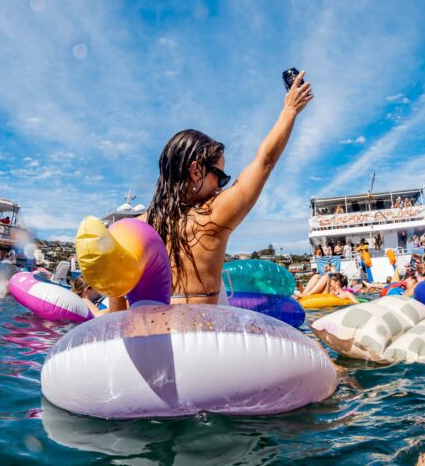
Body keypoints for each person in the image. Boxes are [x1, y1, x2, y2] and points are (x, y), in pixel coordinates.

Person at [123, 71, 312, 309]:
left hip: (149, 335)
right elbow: (265, 161)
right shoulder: (211, 217)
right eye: (220, 177)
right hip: (200, 336)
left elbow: (116, 291)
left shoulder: (136, 229)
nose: (220, 188)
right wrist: (290, 110)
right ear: (195, 171)